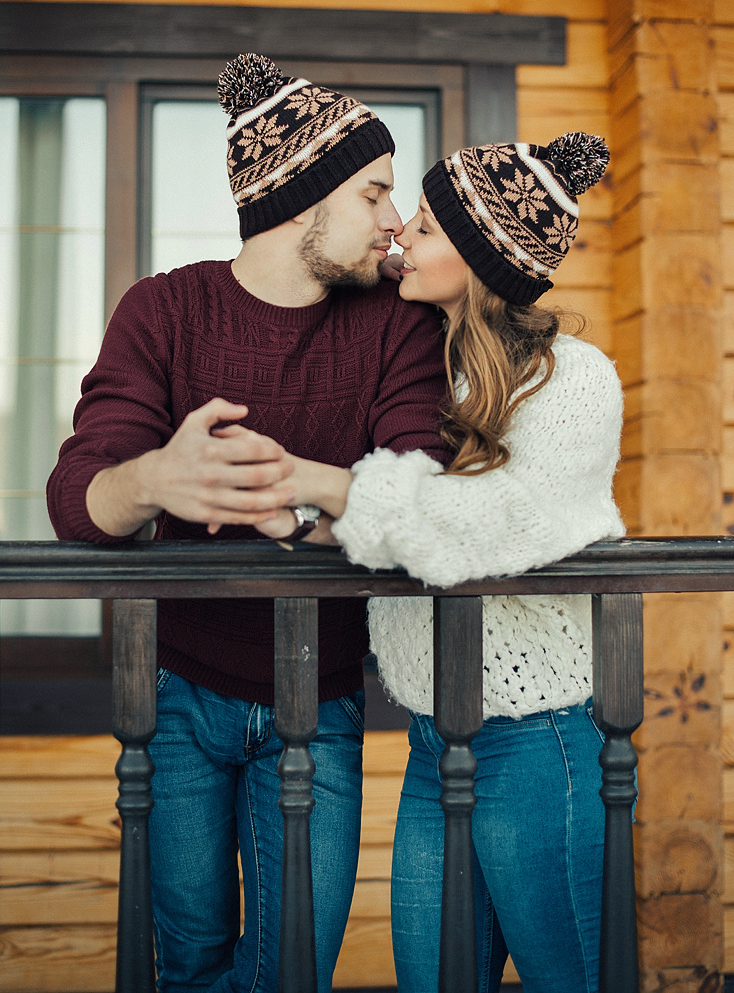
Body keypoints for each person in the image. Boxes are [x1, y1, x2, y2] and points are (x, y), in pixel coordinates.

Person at [46, 53, 453, 993]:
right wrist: (154, 477)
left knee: (290, 972)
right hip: (176, 696)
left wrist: (298, 505)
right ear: (300, 199)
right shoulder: (162, 309)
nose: (396, 222)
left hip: (326, 697)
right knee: (185, 962)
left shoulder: (397, 322)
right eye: (376, 192)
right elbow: (79, 500)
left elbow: (421, 480)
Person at [250, 133, 625, 993]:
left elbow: (487, 526)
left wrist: (326, 485)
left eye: (423, 226)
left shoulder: (574, 379)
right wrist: (299, 522)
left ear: (484, 253)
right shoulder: (419, 365)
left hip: (539, 747)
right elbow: (398, 525)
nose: (398, 237)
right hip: (431, 739)